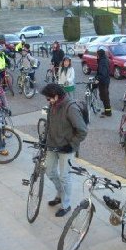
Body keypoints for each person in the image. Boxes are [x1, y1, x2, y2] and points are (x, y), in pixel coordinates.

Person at [41, 83, 88, 217]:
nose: (48, 101)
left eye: (49, 98)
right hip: (52, 144)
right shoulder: (52, 106)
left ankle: (66, 204)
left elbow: (82, 130)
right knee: (49, 171)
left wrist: (72, 145)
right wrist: (45, 139)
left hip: (66, 148)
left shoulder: (71, 108)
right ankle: (60, 194)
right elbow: (49, 124)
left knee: (64, 177)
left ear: (56, 96)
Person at [95, 48, 111, 117]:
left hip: (103, 82)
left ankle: (108, 112)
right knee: (104, 96)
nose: (97, 56)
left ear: (99, 55)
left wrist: (98, 79)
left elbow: (103, 73)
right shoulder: (103, 60)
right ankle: (107, 111)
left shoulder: (103, 61)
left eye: (97, 55)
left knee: (105, 97)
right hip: (105, 81)